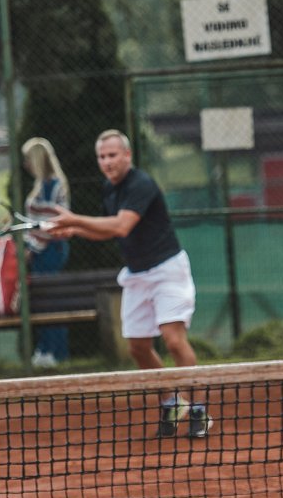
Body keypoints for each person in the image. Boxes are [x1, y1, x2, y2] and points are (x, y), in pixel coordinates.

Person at [46, 129, 209, 438]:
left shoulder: (141, 184)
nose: (107, 162)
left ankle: (198, 409)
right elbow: (108, 231)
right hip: (136, 275)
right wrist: (75, 231)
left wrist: (75, 219)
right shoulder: (110, 189)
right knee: (138, 347)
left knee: (174, 340)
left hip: (167, 270)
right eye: (101, 157)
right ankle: (171, 403)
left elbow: (122, 225)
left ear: (127, 155)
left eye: (112, 155)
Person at [21, 137, 71, 368]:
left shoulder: (54, 186)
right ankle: (46, 349)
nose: (25, 164)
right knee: (44, 300)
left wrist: (31, 248)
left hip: (50, 250)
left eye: (28, 159)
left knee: (51, 300)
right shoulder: (41, 185)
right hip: (41, 250)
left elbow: (51, 223)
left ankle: (53, 351)